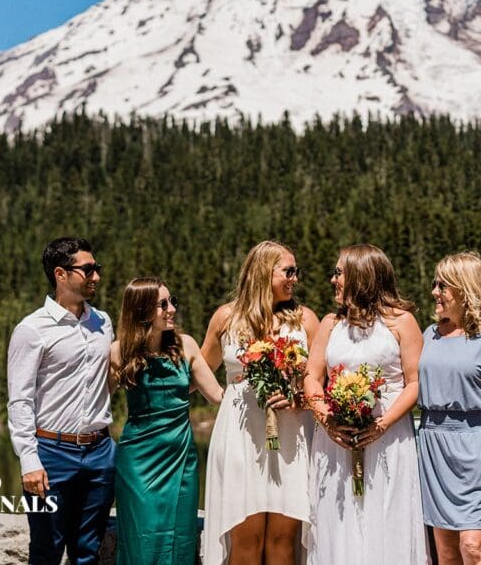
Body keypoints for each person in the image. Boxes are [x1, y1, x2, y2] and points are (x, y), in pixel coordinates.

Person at [302, 243, 429, 564]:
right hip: (336, 440)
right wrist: (327, 419)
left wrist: (382, 425)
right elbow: (311, 378)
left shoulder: (402, 322)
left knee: (386, 518)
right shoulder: (331, 323)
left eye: (339, 272)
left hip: (388, 440)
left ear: (362, 275)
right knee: (339, 520)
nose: (333, 279)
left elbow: (415, 383)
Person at [200, 240, 320, 564]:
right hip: (240, 436)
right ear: (265, 272)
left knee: (284, 539)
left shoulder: (305, 320)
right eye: (289, 271)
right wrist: (221, 395)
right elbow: (199, 368)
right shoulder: (227, 318)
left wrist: (299, 400)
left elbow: (319, 380)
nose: (295, 278)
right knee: (246, 538)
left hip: (292, 435)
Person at [7, 236, 115, 565]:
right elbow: (20, 401)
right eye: (88, 269)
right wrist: (29, 460)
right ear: (61, 274)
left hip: (100, 454)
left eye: (97, 268)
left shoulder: (103, 322)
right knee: (46, 551)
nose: (96, 276)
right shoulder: (31, 329)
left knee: (88, 551)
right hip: (51, 455)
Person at [110, 277, 224, 565]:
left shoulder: (186, 345)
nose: (171, 309)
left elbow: (217, 394)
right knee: (141, 539)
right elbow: (96, 400)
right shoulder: (119, 350)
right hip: (138, 461)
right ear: (142, 309)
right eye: (163, 304)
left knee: (180, 539)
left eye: (173, 301)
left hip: (180, 459)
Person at [417, 252, 481, 565]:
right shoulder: (429, 335)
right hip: (433, 446)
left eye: (442, 285)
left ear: (466, 290)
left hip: (475, 444)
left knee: (473, 548)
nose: (434, 291)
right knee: (445, 551)